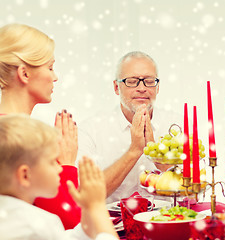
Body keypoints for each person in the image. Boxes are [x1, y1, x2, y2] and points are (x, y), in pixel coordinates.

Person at [0, 23, 80, 229]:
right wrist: (67, 165)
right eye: (50, 67)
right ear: (24, 74)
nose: (55, 77)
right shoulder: (21, 139)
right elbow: (69, 223)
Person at [78, 51, 181, 203]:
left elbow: (190, 191)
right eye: (132, 81)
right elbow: (85, 195)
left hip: (168, 220)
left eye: (149, 80)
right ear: (116, 87)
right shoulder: (91, 129)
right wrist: (134, 151)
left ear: (157, 87)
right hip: (112, 225)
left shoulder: (177, 124)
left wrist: (157, 155)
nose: (142, 88)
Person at [0, 115, 118, 240]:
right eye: (52, 162)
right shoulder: (37, 226)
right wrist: (97, 206)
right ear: (25, 175)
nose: (60, 168)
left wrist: (87, 209)